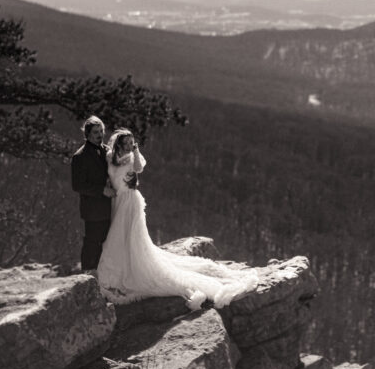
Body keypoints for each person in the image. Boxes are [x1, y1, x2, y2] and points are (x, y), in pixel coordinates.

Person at [97, 128, 258, 310]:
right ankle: (120, 266)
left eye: (130, 142)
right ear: (118, 143)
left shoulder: (132, 158)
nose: (128, 145)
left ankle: (128, 269)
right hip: (116, 201)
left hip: (130, 202)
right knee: (118, 237)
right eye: (125, 143)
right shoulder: (110, 156)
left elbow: (139, 168)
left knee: (130, 238)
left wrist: (135, 150)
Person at [70, 116, 114, 274]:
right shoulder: (80, 156)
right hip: (93, 209)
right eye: (96, 132)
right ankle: (88, 276)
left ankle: (106, 277)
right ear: (87, 134)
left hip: (111, 207)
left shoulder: (108, 151)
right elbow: (78, 185)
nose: (100, 134)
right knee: (92, 243)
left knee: (109, 243)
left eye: (102, 131)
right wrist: (102, 190)